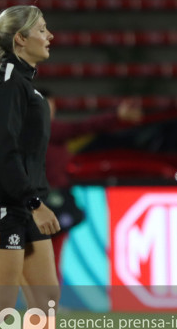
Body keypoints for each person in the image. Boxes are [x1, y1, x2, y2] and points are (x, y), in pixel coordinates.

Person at [0, 5, 92, 329]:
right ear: (19, 40)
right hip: (8, 209)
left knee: (45, 300)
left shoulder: (22, 84)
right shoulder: (8, 84)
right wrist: (33, 202)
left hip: (23, 206)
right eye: (43, 29)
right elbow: (3, 155)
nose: (51, 36)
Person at [42, 89, 142, 281]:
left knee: (48, 251)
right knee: (49, 251)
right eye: (47, 106)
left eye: (53, 106)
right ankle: (45, 299)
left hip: (52, 196)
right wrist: (115, 116)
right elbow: (81, 127)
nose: (51, 111)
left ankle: (45, 299)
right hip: (49, 198)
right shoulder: (47, 129)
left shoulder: (35, 131)